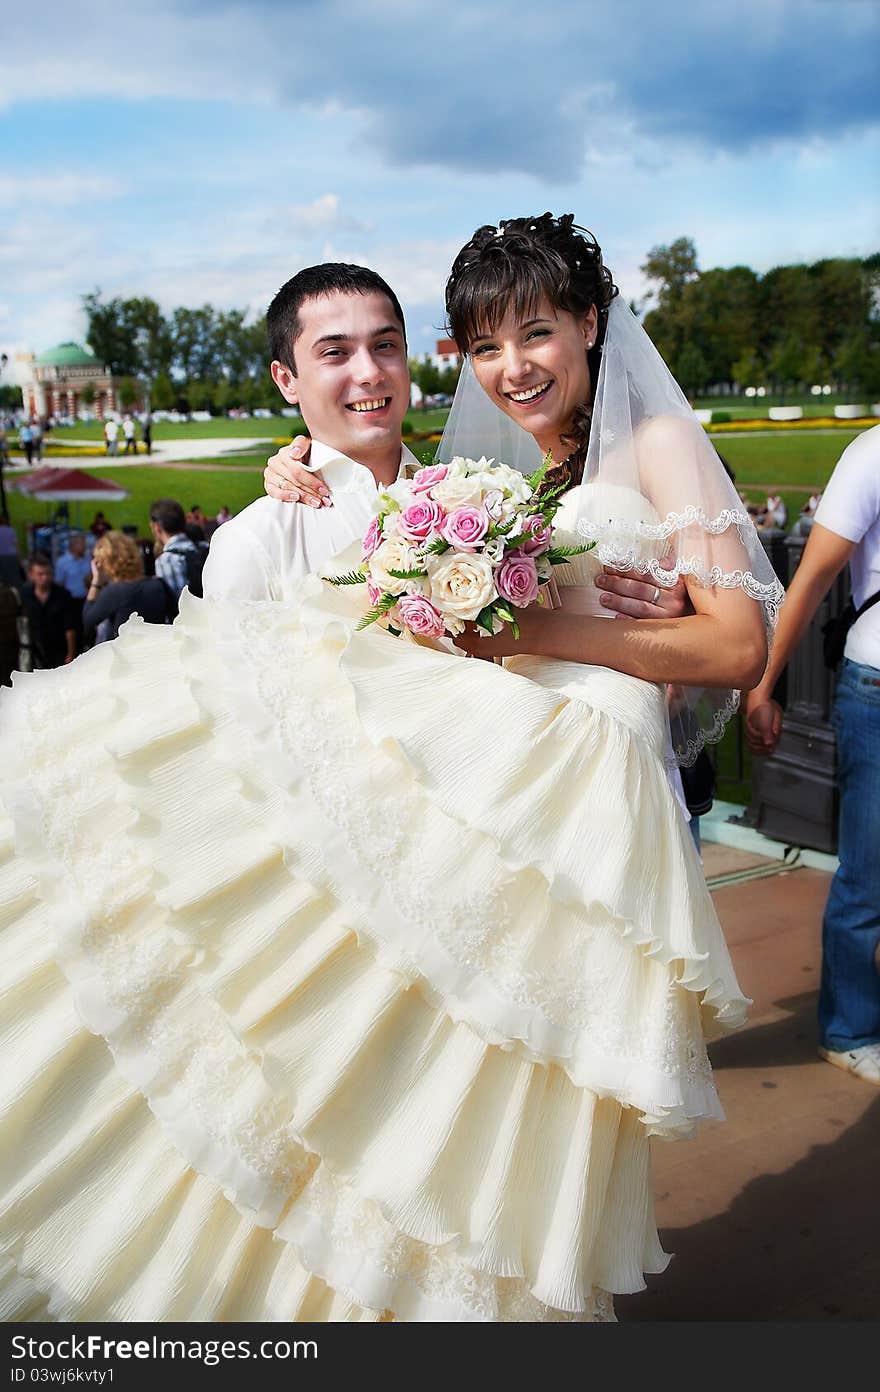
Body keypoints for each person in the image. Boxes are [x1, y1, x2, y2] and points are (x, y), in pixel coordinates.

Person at [0, 227, 777, 1324]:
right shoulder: (508, 477)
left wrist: (543, 628)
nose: (511, 366)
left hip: (570, 789)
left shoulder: (624, 446)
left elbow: (729, 649)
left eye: (538, 331)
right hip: (500, 794)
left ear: (593, 324)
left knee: (515, 1062)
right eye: (486, 344)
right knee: (436, 1052)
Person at [746, 425, 880, 1086]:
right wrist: (762, 687)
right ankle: (849, 1027)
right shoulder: (873, 454)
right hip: (877, 688)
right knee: (868, 875)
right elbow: (808, 583)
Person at [83, 530, 172, 642]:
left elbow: (88, 619)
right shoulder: (158, 585)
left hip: (125, 654)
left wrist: (96, 580)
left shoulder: (114, 592)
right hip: (154, 649)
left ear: (108, 563)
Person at [18, 551, 76, 668]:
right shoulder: (24, 594)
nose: (44, 578)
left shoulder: (63, 595)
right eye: (40, 574)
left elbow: (70, 627)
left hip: (58, 648)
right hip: (33, 650)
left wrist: (71, 653)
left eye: (47, 573)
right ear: (31, 575)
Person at [149, 497, 207, 606]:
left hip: (188, 620)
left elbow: (178, 606)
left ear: (157, 527)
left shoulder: (166, 561)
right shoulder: (206, 548)